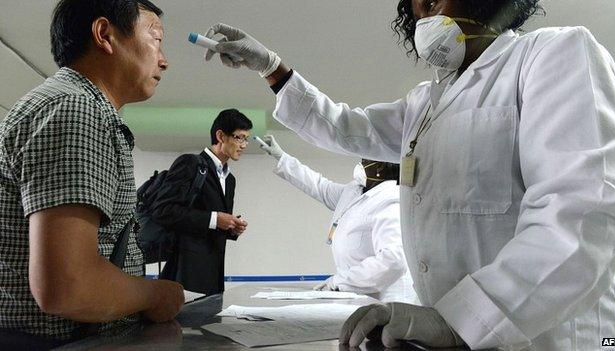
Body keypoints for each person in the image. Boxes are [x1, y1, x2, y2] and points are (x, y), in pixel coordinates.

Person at [202, 0, 615, 349]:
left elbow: (581, 221)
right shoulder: (426, 102)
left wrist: (462, 321)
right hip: (451, 335)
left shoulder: (554, 54)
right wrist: (273, 68)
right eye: (415, 7)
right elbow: (347, 126)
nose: (422, 11)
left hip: (544, 337)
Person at [0, 0, 185, 347]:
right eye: (156, 39)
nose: (164, 60)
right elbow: (67, 286)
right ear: (105, 35)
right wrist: (155, 295)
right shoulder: (75, 109)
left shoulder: (73, 106)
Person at [258, 135, 417, 303]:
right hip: (358, 297)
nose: (361, 163)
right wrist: (282, 157)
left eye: (366, 159)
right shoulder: (353, 192)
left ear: (381, 167)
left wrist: (339, 282)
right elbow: (318, 185)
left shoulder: (390, 201)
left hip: (387, 302)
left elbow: (394, 260)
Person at [150, 109, 251, 295]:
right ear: (220, 135)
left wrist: (230, 227)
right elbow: (163, 210)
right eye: (239, 137)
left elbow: (211, 225)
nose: (244, 145)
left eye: (246, 139)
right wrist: (214, 219)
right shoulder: (190, 163)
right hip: (185, 272)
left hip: (214, 273)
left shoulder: (230, 180)